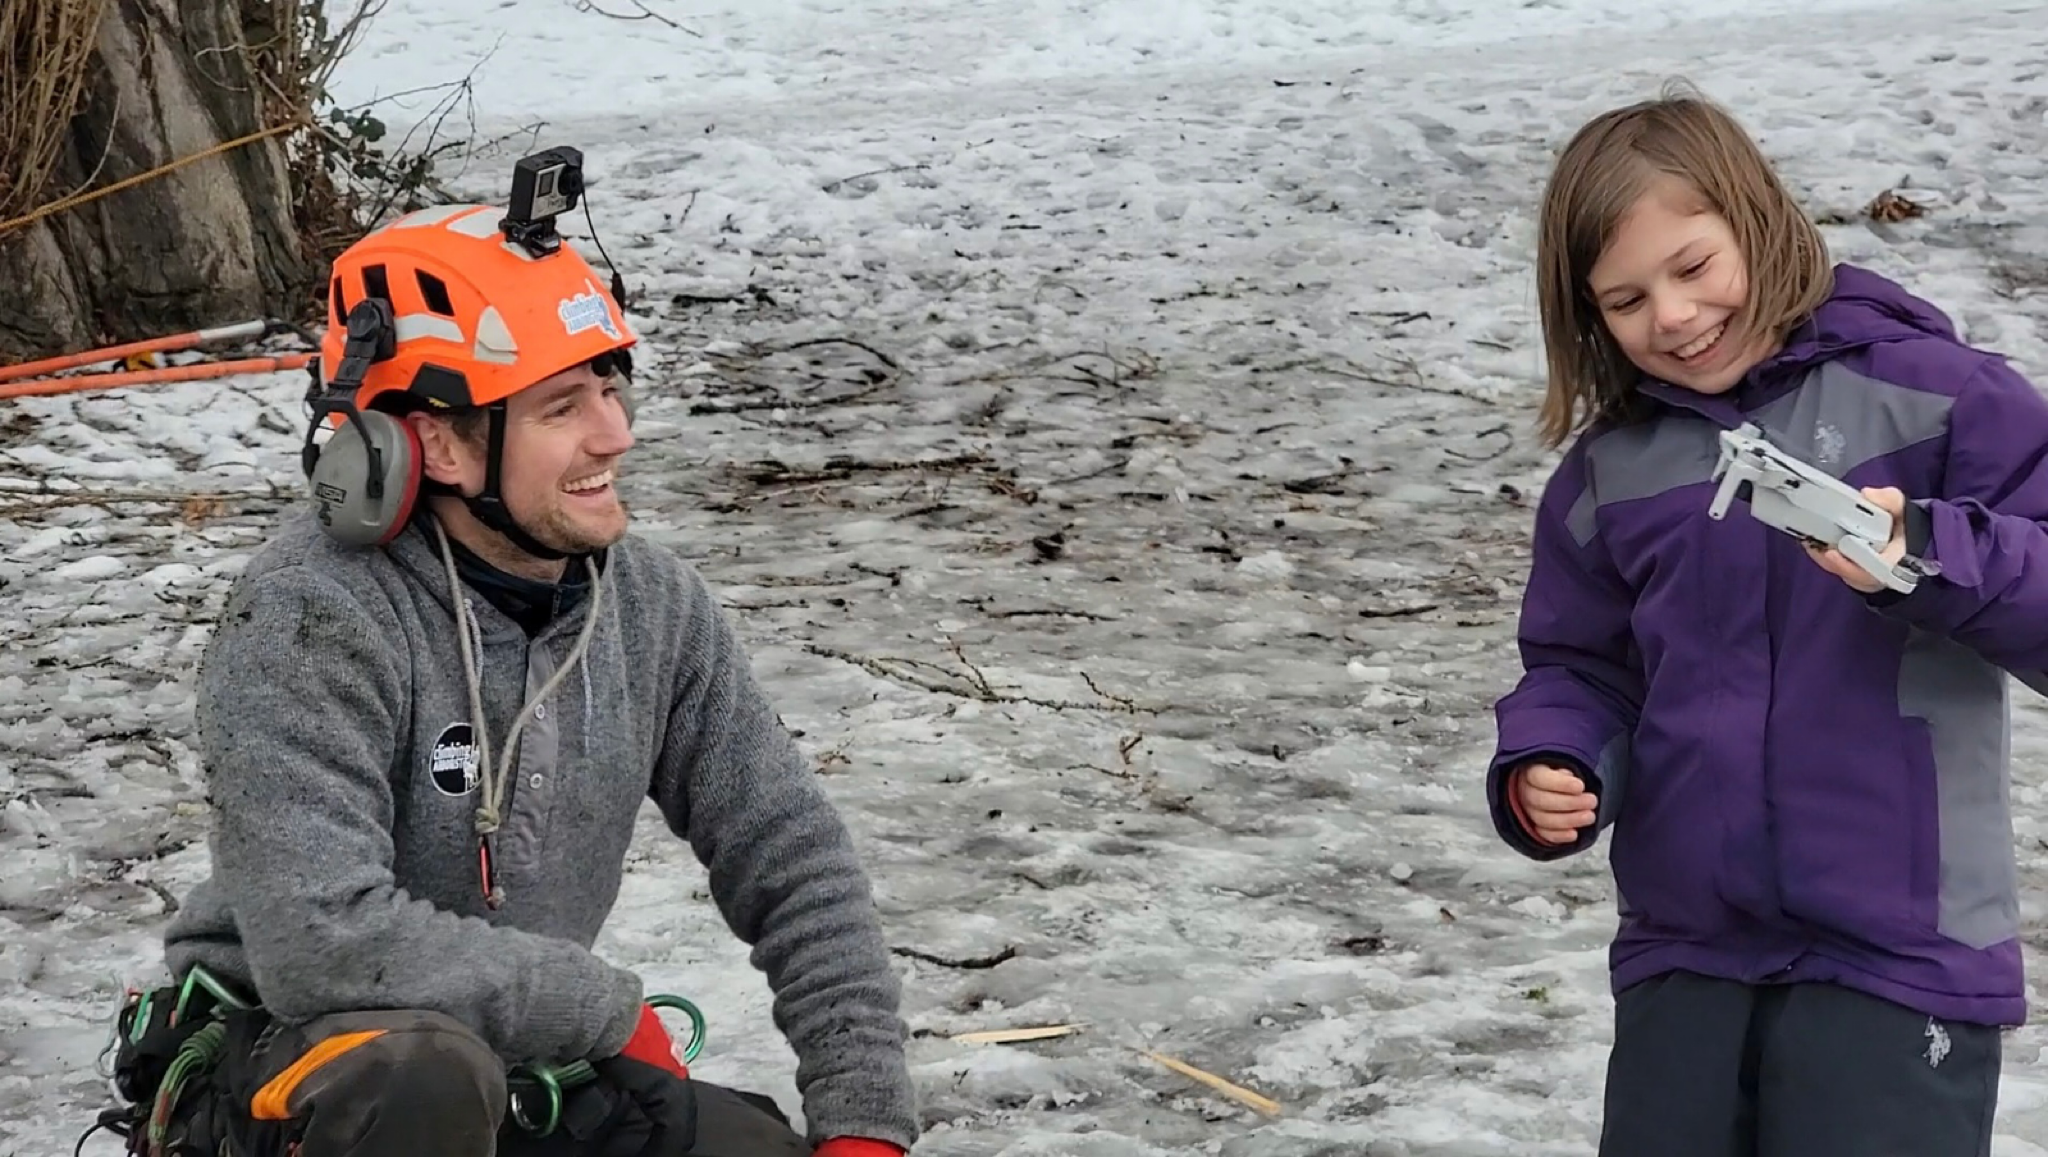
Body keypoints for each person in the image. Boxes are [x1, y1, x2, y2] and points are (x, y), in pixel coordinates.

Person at [94, 185, 919, 1157]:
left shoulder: (652, 603)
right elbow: (323, 942)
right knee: (420, 1079)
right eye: (560, 407)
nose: (614, 435)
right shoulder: (313, 610)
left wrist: (865, 1122)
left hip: (521, 1059)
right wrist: (603, 1008)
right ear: (433, 441)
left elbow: (791, 860)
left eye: (610, 389)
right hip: (288, 1060)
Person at [1487, 83, 2038, 1156]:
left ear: (1758, 222)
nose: (1673, 317)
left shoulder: (1936, 399)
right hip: (1686, 956)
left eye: (1690, 269)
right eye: (1624, 299)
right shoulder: (1612, 473)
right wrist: (1553, 756)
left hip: (1897, 954)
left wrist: (1923, 551)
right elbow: (1576, 662)